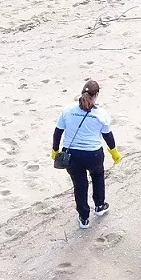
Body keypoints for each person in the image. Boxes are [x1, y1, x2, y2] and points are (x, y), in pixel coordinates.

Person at [53, 79, 119, 229]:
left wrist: (55, 150)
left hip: (73, 156)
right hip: (93, 154)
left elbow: (57, 132)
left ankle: (84, 217)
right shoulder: (101, 114)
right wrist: (114, 152)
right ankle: (100, 205)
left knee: (80, 184)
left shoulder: (68, 110)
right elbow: (108, 136)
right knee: (97, 176)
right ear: (96, 95)